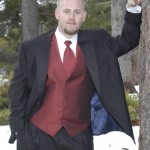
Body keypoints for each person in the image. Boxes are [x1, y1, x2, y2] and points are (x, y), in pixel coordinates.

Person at [8, 0, 142, 149]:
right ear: (57, 13)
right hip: (37, 135)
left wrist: (133, 8)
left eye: (77, 12)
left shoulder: (97, 42)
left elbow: (127, 40)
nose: (72, 17)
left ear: (84, 16)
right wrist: (18, 128)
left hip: (79, 136)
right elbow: (17, 90)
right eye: (66, 11)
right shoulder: (31, 48)